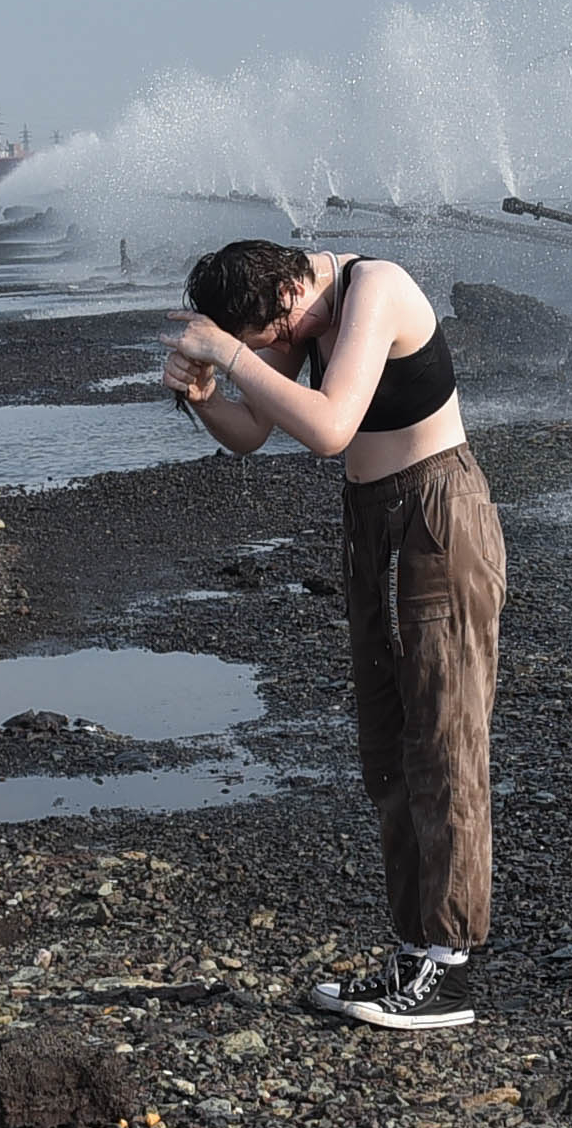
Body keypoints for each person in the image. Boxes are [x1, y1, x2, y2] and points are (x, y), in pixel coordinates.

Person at [165, 239, 502, 1030]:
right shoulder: (294, 313)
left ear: (289, 292)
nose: (279, 349)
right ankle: (414, 952)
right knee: (388, 747)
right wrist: (203, 393)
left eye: (272, 336)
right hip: (372, 523)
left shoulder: (375, 287)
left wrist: (227, 354)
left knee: (444, 739)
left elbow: (328, 429)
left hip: (437, 517)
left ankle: (452, 969)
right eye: (264, 344)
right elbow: (252, 431)